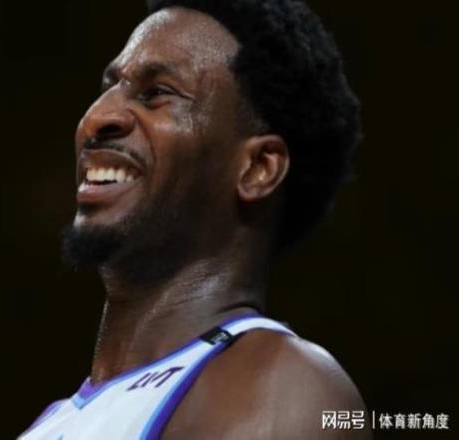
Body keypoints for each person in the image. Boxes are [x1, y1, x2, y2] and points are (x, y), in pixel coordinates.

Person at [20, 0, 371, 438]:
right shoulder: (56, 421)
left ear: (257, 168)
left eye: (156, 93)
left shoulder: (284, 387)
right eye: (109, 86)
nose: (96, 118)